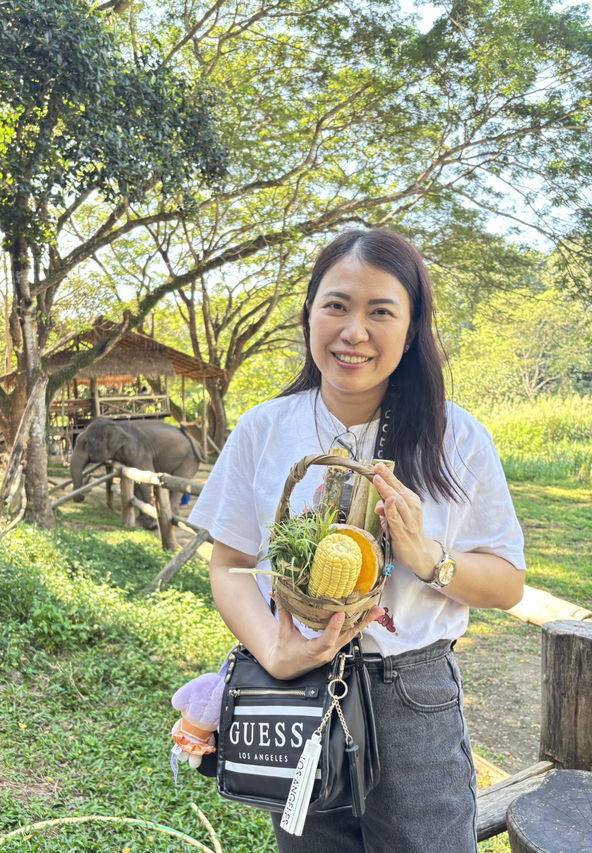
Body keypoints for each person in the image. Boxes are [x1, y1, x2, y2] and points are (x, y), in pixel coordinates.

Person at [188, 229, 525, 853]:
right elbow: (230, 566)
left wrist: (429, 559)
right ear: (310, 313)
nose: (354, 331)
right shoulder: (266, 428)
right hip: (298, 689)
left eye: (380, 311)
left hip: (412, 695)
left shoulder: (458, 438)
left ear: (412, 326)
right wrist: (274, 650)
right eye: (337, 305)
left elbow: (508, 583)